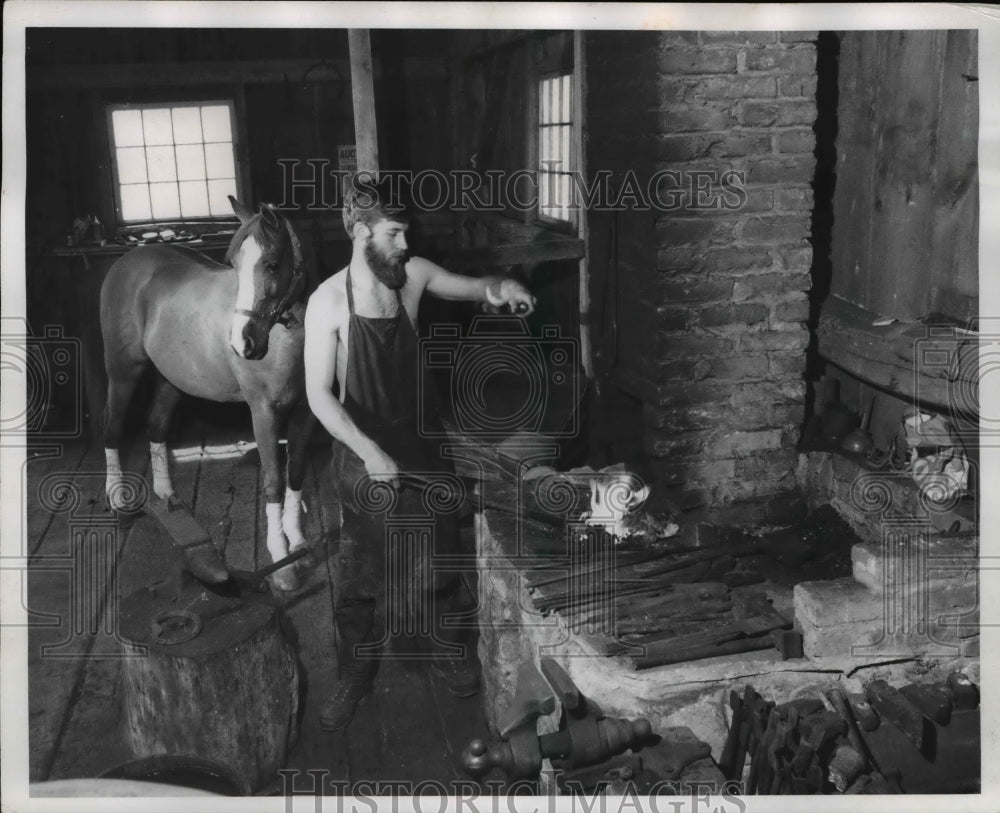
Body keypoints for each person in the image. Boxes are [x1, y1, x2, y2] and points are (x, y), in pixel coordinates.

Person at [304, 178, 536, 730]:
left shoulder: (411, 277)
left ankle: (449, 649)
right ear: (361, 233)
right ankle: (355, 674)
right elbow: (318, 395)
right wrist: (370, 453)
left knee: (439, 559)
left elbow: (475, 287)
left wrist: (503, 288)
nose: (404, 244)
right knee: (361, 577)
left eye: (405, 232)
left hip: (425, 445)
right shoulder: (329, 301)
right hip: (364, 452)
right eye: (394, 233)